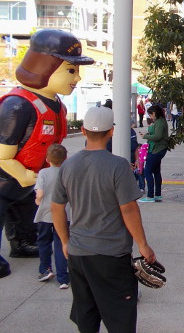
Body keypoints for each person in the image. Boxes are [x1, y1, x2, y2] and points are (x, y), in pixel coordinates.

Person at [51, 106, 156, 333]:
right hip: (111, 255)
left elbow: (57, 208)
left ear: (83, 130)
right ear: (111, 132)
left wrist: (65, 241)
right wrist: (143, 245)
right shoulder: (117, 166)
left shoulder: (68, 166)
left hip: (79, 254)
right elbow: (128, 209)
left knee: (86, 315)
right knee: (120, 318)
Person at [0, 29, 94, 278]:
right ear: (45, 67)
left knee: (23, 213)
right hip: (8, 176)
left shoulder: (57, 107)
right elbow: (2, 154)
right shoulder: (17, 105)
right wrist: (23, 175)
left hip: (30, 178)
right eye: (70, 70)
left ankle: (21, 243)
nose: (77, 78)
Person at [34, 144, 70, 289]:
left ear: (47, 158)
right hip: (63, 213)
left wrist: (37, 200)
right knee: (62, 242)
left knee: (43, 241)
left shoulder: (43, 173)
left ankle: (45, 269)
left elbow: (40, 193)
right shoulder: (67, 172)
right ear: (65, 158)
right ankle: (63, 278)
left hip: (45, 214)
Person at [139, 105, 169, 203]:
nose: (150, 117)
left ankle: (150, 195)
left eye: (150, 115)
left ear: (154, 113)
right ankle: (158, 194)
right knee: (156, 172)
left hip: (156, 150)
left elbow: (157, 136)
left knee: (148, 171)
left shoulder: (160, 123)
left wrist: (146, 136)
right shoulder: (160, 121)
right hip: (158, 149)